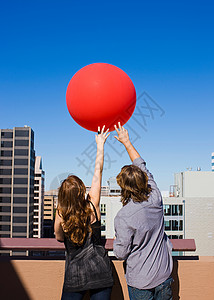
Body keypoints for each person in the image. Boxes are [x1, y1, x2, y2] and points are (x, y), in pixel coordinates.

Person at [113, 122, 173, 300]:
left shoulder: (123, 216)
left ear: (124, 188)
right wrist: (127, 142)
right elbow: (141, 164)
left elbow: (120, 254)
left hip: (140, 281)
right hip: (164, 275)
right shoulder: (155, 196)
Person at [54, 126, 113, 300]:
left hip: (74, 277)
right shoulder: (92, 205)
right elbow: (98, 171)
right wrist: (100, 145)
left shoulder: (62, 214)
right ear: (81, 191)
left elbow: (58, 237)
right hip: (101, 273)